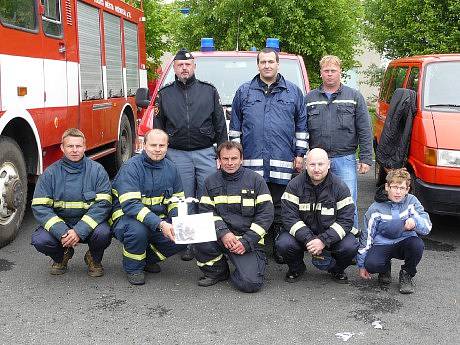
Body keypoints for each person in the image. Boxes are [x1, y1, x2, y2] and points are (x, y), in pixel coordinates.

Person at [229, 47, 307, 262]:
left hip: (282, 161)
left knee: (281, 205)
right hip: (253, 162)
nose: (267, 65)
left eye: (271, 61)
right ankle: (258, 244)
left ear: (277, 64)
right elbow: (235, 130)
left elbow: (301, 126)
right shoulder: (244, 92)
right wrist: (236, 157)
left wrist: (300, 154)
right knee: (254, 205)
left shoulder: (293, 92)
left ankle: (280, 244)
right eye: (263, 62)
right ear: (258, 65)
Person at [154, 48, 228, 261]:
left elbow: (220, 125)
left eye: (188, 65)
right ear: (174, 69)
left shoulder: (209, 91)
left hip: (205, 151)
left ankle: (205, 240)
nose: (184, 68)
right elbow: (158, 128)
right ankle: (186, 241)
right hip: (177, 154)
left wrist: (221, 153)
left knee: (206, 196)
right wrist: (162, 154)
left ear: (194, 66)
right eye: (180, 65)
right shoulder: (165, 94)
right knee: (183, 199)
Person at [194, 141, 274, 292]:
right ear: (219, 160)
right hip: (221, 237)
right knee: (197, 234)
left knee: (251, 284)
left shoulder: (256, 180)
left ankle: (243, 266)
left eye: (234, 158)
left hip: (248, 240)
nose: (230, 163)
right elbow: (206, 211)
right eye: (225, 159)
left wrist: (246, 241)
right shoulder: (210, 181)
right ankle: (217, 271)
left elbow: (266, 215)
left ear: (241, 159)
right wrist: (223, 233)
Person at [305, 55, 373, 232]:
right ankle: (321, 242)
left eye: (333, 71)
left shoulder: (354, 97)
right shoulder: (310, 98)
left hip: (345, 159)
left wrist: (366, 158)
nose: (329, 74)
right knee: (318, 202)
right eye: (326, 71)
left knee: (347, 201)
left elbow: (365, 129)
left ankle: (351, 243)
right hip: (317, 161)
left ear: (340, 72)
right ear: (320, 73)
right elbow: (301, 129)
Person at [31, 128, 112, 277]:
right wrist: (62, 232)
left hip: (88, 225)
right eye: (70, 146)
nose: (74, 150)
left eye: (78, 146)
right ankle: (61, 256)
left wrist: (79, 230)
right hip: (62, 225)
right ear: (62, 147)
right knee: (40, 240)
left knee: (104, 233)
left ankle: (94, 259)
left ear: (85, 147)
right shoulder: (50, 173)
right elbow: (40, 207)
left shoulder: (97, 171)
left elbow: (103, 205)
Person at [111, 129, 186, 285]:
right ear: (144, 145)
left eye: (161, 145)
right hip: (127, 218)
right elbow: (131, 205)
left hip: (158, 220)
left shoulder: (171, 168)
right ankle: (133, 268)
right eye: (153, 145)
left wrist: (178, 221)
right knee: (138, 231)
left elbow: (177, 199)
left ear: (167, 146)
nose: (157, 149)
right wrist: (161, 224)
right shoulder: (131, 167)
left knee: (184, 235)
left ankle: (145, 259)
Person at [275, 148, 358, 284]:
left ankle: (336, 269)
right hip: (302, 237)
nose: (316, 169)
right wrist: (309, 239)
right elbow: (289, 217)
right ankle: (297, 268)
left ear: (329, 164)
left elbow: (346, 220)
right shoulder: (294, 185)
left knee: (350, 245)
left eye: (321, 164)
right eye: (312, 164)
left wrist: (323, 240)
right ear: (306, 164)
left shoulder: (340, 187)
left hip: (330, 236)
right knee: (284, 243)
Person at [357, 168, 432, 294]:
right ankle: (385, 268)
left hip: (404, 241)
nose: (398, 192)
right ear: (387, 187)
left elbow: (427, 227)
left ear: (407, 190)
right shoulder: (375, 208)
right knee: (371, 264)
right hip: (382, 244)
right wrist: (361, 265)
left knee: (417, 245)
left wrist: (415, 222)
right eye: (394, 187)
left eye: (401, 188)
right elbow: (367, 236)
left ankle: (407, 274)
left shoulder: (411, 201)